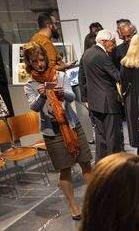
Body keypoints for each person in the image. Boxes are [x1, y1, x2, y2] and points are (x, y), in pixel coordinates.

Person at [24, 42, 94, 220]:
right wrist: (42, 94)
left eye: (41, 60)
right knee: (65, 169)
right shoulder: (30, 84)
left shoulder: (60, 75)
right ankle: (73, 206)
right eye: (35, 61)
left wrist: (62, 92)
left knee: (85, 162)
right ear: (29, 62)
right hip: (52, 130)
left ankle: (95, 201)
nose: (39, 64)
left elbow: (71, 97)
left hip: (71, 124)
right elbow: (34, 107)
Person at [79, 29, 123, 160]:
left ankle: (102, 165)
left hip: (94, 103)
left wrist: (85, 98)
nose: (114, 45)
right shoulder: (102, 56)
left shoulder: (86, 53)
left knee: (101, 137)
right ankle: (115, 165)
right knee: (112, 137)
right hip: (108, 103)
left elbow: (81, 76)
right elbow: (117, 76)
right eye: (113, 42)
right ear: (104, 42)